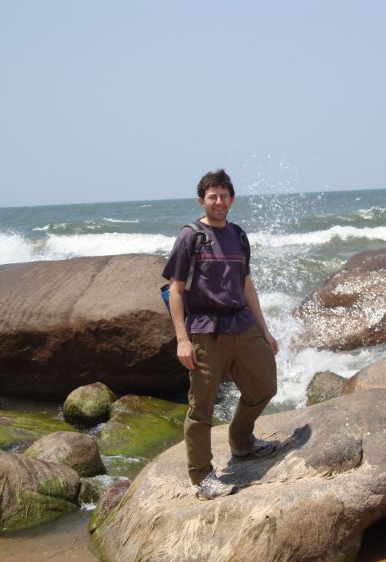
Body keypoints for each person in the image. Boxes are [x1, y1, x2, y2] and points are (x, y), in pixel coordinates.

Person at [162, 168, 279, 501]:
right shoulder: (191, 236)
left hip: (242, 326)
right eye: (212, 196)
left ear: (232, 199)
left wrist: (264, 329)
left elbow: (246, 285)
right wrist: (182, 340)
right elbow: (176, 290)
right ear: (202, 200)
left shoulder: (239, 236)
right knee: (201, 408)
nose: (219, 201)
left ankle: (241, 441)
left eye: (224, 195)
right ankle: (201, 478)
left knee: (265, 386)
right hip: (205, 332)